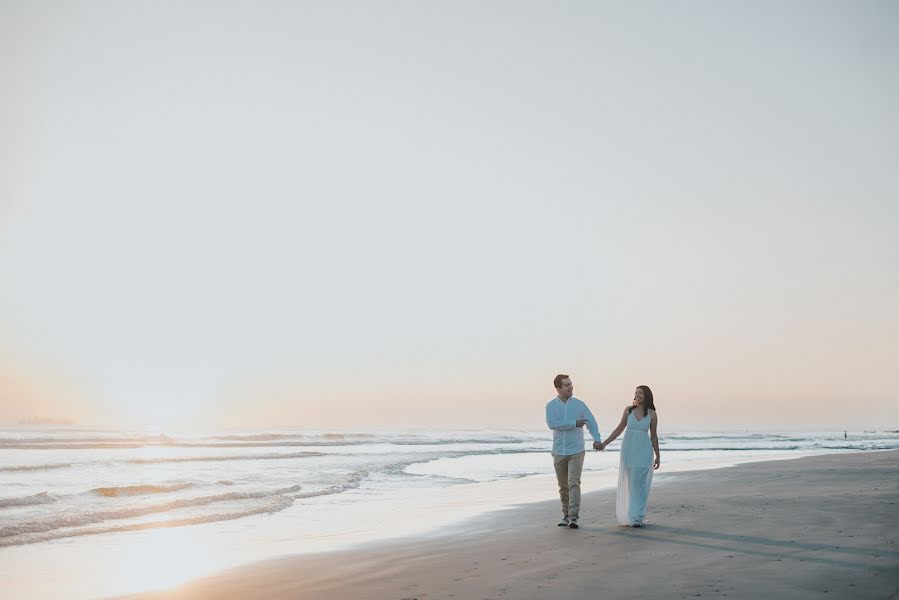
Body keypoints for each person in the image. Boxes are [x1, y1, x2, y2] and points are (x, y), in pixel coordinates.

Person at [545, 374, 603, 529]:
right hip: (558, 451)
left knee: (573, 483)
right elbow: (552, 424)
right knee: (563, 486)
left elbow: (591, 422)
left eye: (571, 384)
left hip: (576, 450)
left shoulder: (579, 405)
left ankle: (573, 517)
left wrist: (596, 438)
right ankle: (565, 515)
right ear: (558, 388)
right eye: (566, 385)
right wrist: (574, 423)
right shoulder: (550, 406)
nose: (570, 387)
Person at [600, 385, 660, 527]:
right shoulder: (628, 411)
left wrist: (658, 456)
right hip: (629, 451)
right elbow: (619, 429)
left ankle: (636, 517)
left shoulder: (652, 414)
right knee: (632, 483)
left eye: (640, 393)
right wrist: (604, 443)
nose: (637, 395)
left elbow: (654, 436)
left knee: (640, 484)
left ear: (646, 396)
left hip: (644, 451)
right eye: (636, 393)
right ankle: (633, 515)